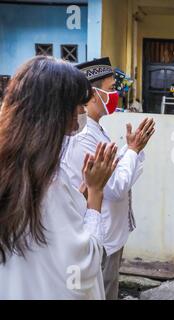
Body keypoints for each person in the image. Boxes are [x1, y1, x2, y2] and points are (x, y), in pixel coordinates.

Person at [0, 56, 118, 299]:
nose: (82, 110)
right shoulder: (48, 182)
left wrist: (79, 198)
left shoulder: (14, 167)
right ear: (53, 109)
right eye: (76, 103)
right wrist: (95, 193)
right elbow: (84, 265)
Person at [62, 57, 155, 300]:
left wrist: (129, 149)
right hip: (100, 236)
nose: (116, 94)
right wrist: (132, 151)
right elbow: (114, 188)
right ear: (94, 93)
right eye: (112, 88)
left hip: (109, 234)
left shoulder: (95, 128)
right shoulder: (83, 136)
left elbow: (112, 169)